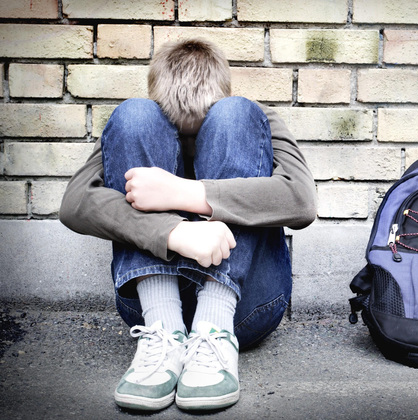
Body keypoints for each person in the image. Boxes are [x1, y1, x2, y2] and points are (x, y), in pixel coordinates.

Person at [59, 38, 317, 412]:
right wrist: (174, 233)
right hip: (150, 309)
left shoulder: (250, 117)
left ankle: (214, 329)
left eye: (200, 131)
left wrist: (183, 192)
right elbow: (74, 203)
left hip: (245, 306)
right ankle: (163, 333)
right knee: (133, 115)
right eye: (181, 133)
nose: (191, 142)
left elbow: (302, 201)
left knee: (238, 115)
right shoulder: (148, 118)